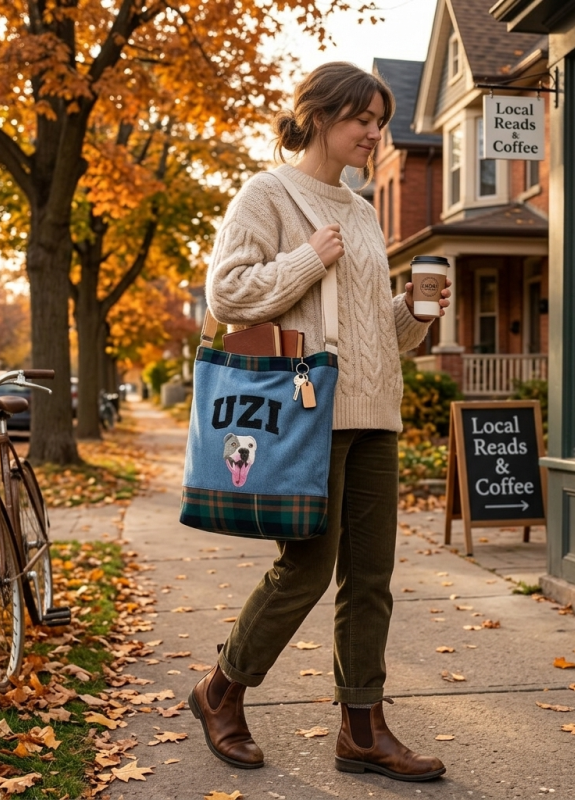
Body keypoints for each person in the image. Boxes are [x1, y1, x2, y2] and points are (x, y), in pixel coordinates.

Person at [188, 62, 451, 782]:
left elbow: (370, 331)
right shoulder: (268, 194)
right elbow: (229, 292)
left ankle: (361, 728)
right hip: (306, 413)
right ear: (320, 116)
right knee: (306, 568)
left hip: (374, 412)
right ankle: (220, 691)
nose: (374, 133)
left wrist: (416, 317)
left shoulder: (363, 209)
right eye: (361, 119)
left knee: (371, 577)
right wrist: (308, 257)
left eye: (379, 120)